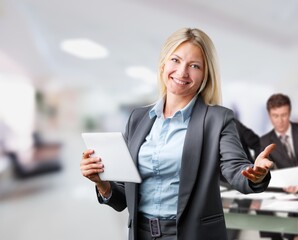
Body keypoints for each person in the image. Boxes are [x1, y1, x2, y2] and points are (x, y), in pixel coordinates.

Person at [80, 27, 275, 240]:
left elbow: (235, 169)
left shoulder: (217, 119)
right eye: (175, 60)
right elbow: (122, 196)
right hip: (142, 233)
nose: (182, 72)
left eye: (194, 66)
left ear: (204, 75)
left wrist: (255, 175)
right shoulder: (138, 118)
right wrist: (101, 182)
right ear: (163, 64)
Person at [259, 93, 298, 240]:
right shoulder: (265, 141)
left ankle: (291, 235)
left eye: (284, 115)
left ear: (290, 112)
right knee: (263, 206)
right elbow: (265, 175)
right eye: (275, 116)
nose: (280, 121)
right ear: (269, 115)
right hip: (286, 192)